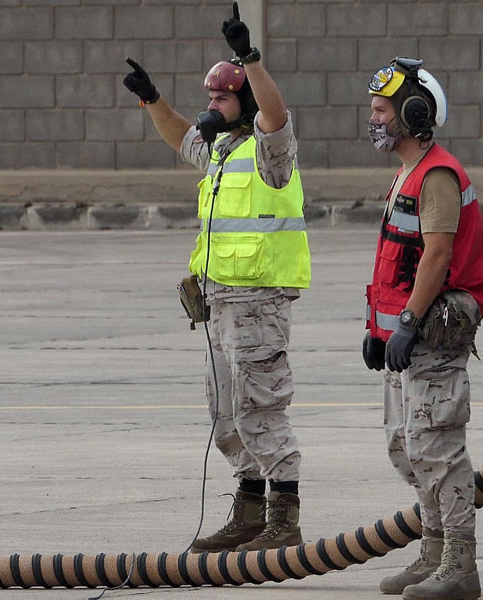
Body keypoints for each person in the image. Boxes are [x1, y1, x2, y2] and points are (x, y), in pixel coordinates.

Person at [123, 2, 310, 553]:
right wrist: (151, 99)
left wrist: (249, 58)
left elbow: (275, 115)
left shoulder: (270, 152)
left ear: (245, 102)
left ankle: (284, 518)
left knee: (261, 407)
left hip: (259, 300)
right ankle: (249, 510)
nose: (211, 105)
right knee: (226, 414)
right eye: (209, 97)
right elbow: (184, 140)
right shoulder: (224, 152)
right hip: (219, 303)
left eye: (221, 97)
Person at [363, 57, 483, 600]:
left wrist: (409, 323)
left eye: (381, 111)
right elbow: (397, 260)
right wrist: (379, 329)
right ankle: (433, 553)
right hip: (406, 337)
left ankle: (461, 567)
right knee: (407, 446)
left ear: (413, 114)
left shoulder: (436, 174)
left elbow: (437, 256)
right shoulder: (406, 174)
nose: (372, 120)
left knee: (438, 448)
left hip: (433, 336)